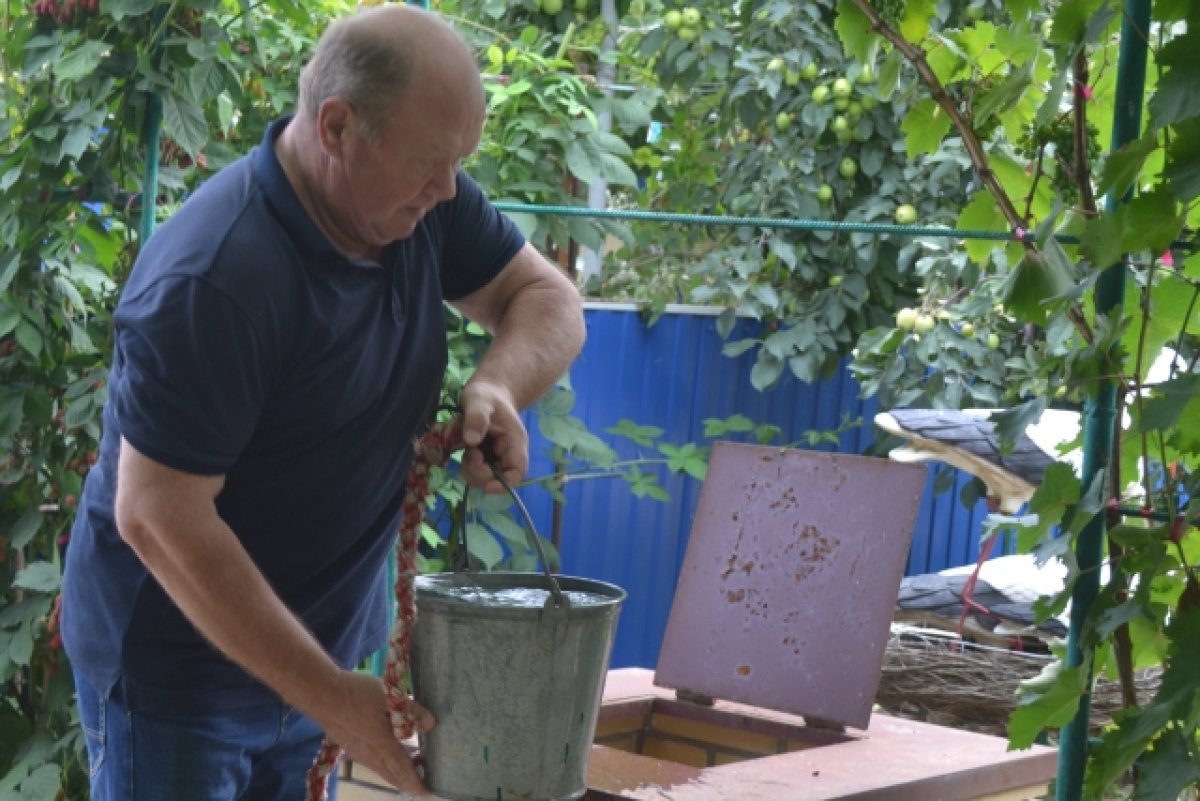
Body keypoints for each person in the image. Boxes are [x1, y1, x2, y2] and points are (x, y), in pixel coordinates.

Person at [60, 6, 586, 800]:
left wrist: (498, 386)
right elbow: (156, 515)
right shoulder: (216, 277)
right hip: (177, 685)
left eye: (459, 164)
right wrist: (330, 694)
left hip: (319, 665)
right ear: (336, 128)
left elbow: (547, 297)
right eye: (431, 162)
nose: (448, 189)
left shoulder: (420, 206)